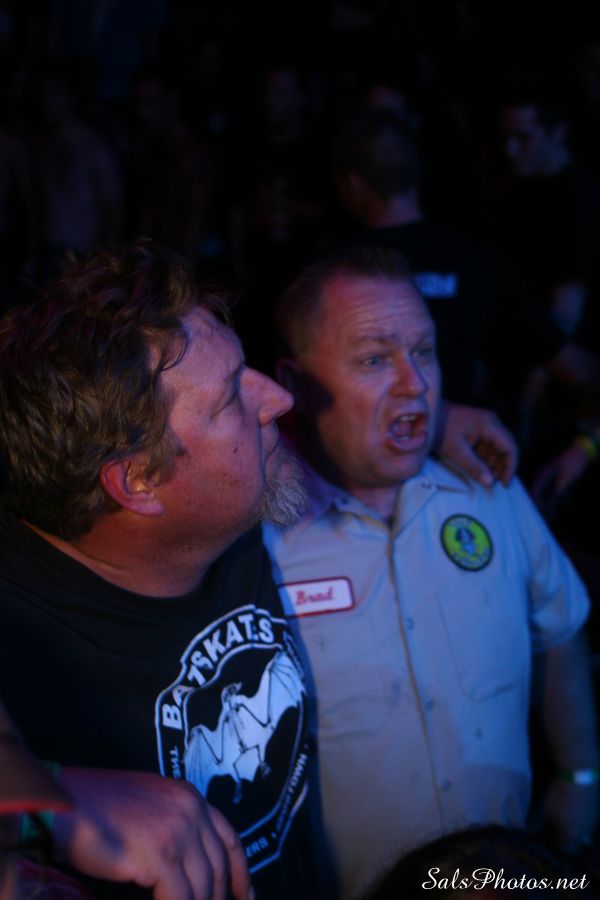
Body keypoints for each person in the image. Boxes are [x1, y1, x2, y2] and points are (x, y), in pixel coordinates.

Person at [263, 247, 599, 899]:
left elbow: (559, 625)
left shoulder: (489, 488)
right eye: (374, 359)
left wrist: (580, 774)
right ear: (295, 383)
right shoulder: (257, 535)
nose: (415, 385)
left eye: (425, 352)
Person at [0, 241, 317, 900]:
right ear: (139, 481)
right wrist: (48, 800)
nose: (277, 400)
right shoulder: (22, 634)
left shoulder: (235, 512)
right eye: (230, 398)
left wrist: (434, 419)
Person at [328, 110, 600, 419]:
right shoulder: (476, 260)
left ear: (353, 184)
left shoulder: (331, 273)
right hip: (464, 441)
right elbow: (575, 368)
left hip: (368, 441)